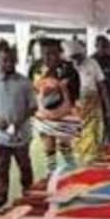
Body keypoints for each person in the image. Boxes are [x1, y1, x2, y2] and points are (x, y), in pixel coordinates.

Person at [0, 44, 37, 213]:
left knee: (24, 166)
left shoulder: (24, 82)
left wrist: (20, 120)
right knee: (0, 168)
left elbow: (33, 107)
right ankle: (0, 198)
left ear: (16, 60)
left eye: (12, 60)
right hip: (0, 136)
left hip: (21, 134)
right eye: (5, 60)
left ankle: (29, 193)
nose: (9, 63)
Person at [33, 38, 82, 174]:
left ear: (60, 53)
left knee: (65, 145)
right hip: (43, 114)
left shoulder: (69, 70)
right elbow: (32, 89)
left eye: (51, 53)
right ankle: (51, 171)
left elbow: (75, 93)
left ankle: (72, 169)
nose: (47, 57)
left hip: (65, 114)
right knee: (49, 147)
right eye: (44, 53)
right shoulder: (36, 68)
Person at [67, 39, 110, 164]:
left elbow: (102, 85)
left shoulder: (92, 63)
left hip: (93, 102)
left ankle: (93, 157)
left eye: (78, 56)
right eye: (73, 57)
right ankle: (80, 159)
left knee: (94, 130)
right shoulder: (68, 67)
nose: (76, 59)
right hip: (76, 105)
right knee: (78, 132)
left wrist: (107, 105)